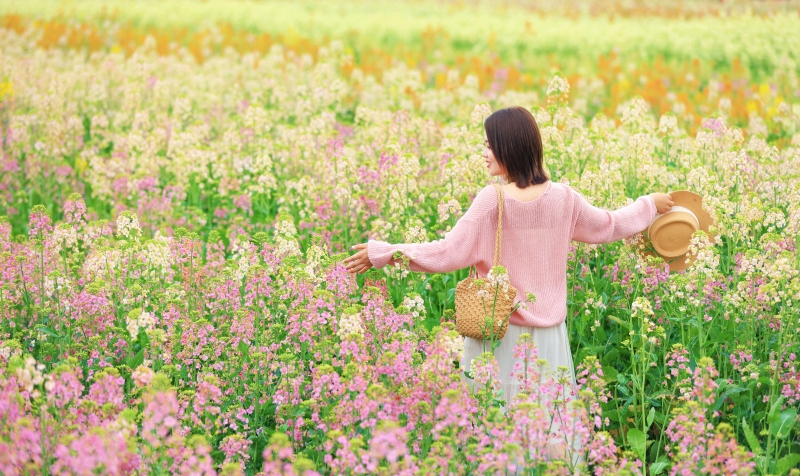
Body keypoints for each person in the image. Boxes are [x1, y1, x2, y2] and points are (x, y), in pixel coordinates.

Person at [344, 105, 673, 411]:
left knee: (495, 422)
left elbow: (447, 252)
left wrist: (385, 253)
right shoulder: (564, 198)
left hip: (497, 332)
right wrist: (648, 205)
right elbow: (610, 225)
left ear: (509, 147)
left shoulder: (492, 200)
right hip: (549, 339)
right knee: (545, 421)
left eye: (489, 145)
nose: (484, 153)